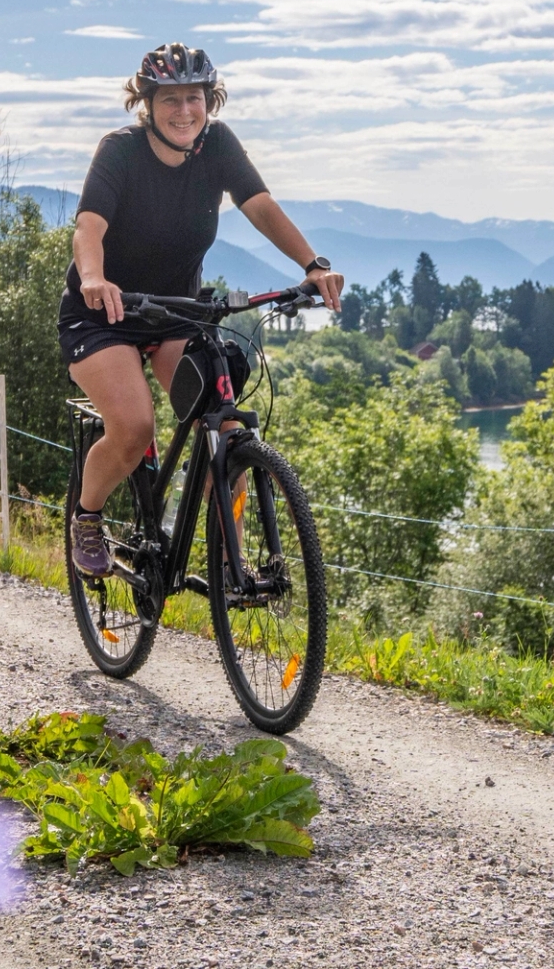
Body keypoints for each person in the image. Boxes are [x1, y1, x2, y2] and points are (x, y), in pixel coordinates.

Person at [64, 43, 346, 577]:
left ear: (209, 101)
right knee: (134, 427)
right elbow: (90, 226)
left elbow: (259, 204)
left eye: (194, 97)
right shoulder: (119, 151)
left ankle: (227, 573)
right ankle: (87, 516)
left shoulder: (217, 145)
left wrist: (313, 263)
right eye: (170, 99)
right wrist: (95, 278)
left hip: (174, 312)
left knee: (224, 425)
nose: (184, 110)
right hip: (103, 315)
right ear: (147, 103)